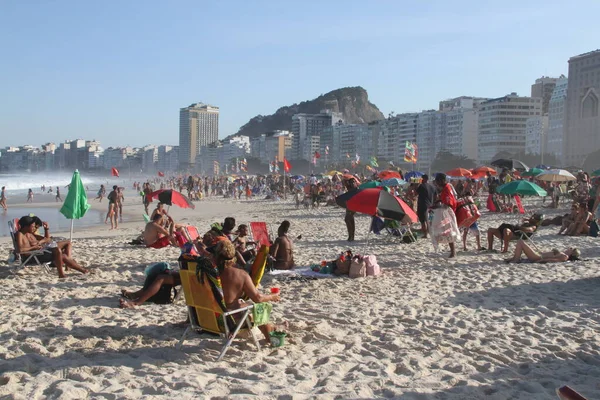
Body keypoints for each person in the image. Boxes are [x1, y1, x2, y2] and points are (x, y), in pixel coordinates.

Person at [216, 240, 280, 344]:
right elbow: (257, 297)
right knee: (259, 306)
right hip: (230, 321)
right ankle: (270, 337)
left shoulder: (207, 273)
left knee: (245, 304)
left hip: (212, 319)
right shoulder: (240, 274)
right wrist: (273, 296)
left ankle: (274, 327)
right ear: (234, 255)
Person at [15, 216, 89, 278]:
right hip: (32, 257)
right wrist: (34, 248)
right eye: (33, 226)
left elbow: (47, 239)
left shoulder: (28, 233)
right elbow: (19, 250)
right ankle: (61, 274)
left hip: (36, 254)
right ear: (26, 226)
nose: (34, 228)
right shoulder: (20, 234)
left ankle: (83, 271)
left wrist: (45, 231)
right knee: (57, 251)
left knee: (62, 255)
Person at [434, 173, 458, 258]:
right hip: (447, 212)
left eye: (437, 181)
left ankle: (453, 251)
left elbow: (448, 203)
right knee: (447, 231)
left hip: (447, 213)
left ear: (442, 180)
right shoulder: (447, 187)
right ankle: (452, 250)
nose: (436, 183)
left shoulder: (446, 188)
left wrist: (439, 205)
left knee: (448, 230)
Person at [505, 239, 580, 263]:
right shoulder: (563, 254)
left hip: (537, 257)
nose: (569, 248)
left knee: (520, 242)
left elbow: (554, 260)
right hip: (538, 255)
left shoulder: (565, 256)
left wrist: (541, 261)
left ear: (572, 253)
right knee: (521, 242)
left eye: (571, 249)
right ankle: (515, 258)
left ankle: (516, 259)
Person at [416, 174, 437, 239]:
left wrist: (416, 186)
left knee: (423, 221)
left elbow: (416, 193)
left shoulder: (421, 186)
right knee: (429, 220)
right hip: (431, 206)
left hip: (422, 205)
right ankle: (428, 233)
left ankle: (425, 234)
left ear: (424, 179)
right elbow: (436, 196)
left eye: (422, 179)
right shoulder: (433, 186)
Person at [343, 177, 358, 241]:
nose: (352, 183)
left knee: (347, 219)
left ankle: (351, 236)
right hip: (350, 205)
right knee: (350, 219)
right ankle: (351, 236)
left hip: (352, 206)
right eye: (352, 182)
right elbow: (344, 182)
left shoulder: (354, 188)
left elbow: (344, 183)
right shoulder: (354, 188)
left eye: (353, 182)